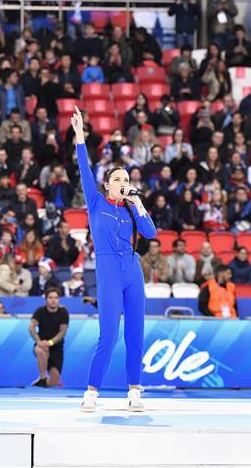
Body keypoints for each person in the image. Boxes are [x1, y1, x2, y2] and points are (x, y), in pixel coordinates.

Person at [72, 106, 157, 412]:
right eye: (118, 178)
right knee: (108, 335)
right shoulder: (96, 202)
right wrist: (80, 136)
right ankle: (92, 390)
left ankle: (134, 390)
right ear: (107, 184)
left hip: (132, 270)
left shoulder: (131, 208)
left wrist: (139, 203)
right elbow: (84, 168)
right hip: (108, 269)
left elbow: (150, 233)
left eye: (126, 178)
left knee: (135, 334)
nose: (123, 181)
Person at [29, 288, 70, 388]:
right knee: (40, 350)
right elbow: (31, 327)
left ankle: (45, 383)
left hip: (56, 348)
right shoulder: (40, 311)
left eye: (56, 298)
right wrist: (39, 341)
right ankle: (42, 378)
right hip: (42, 345)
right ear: (46, 299)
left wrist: (50, 342)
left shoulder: (63, 312)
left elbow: (62, 332)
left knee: (53, 383)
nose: (53, 300)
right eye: (50, 298)